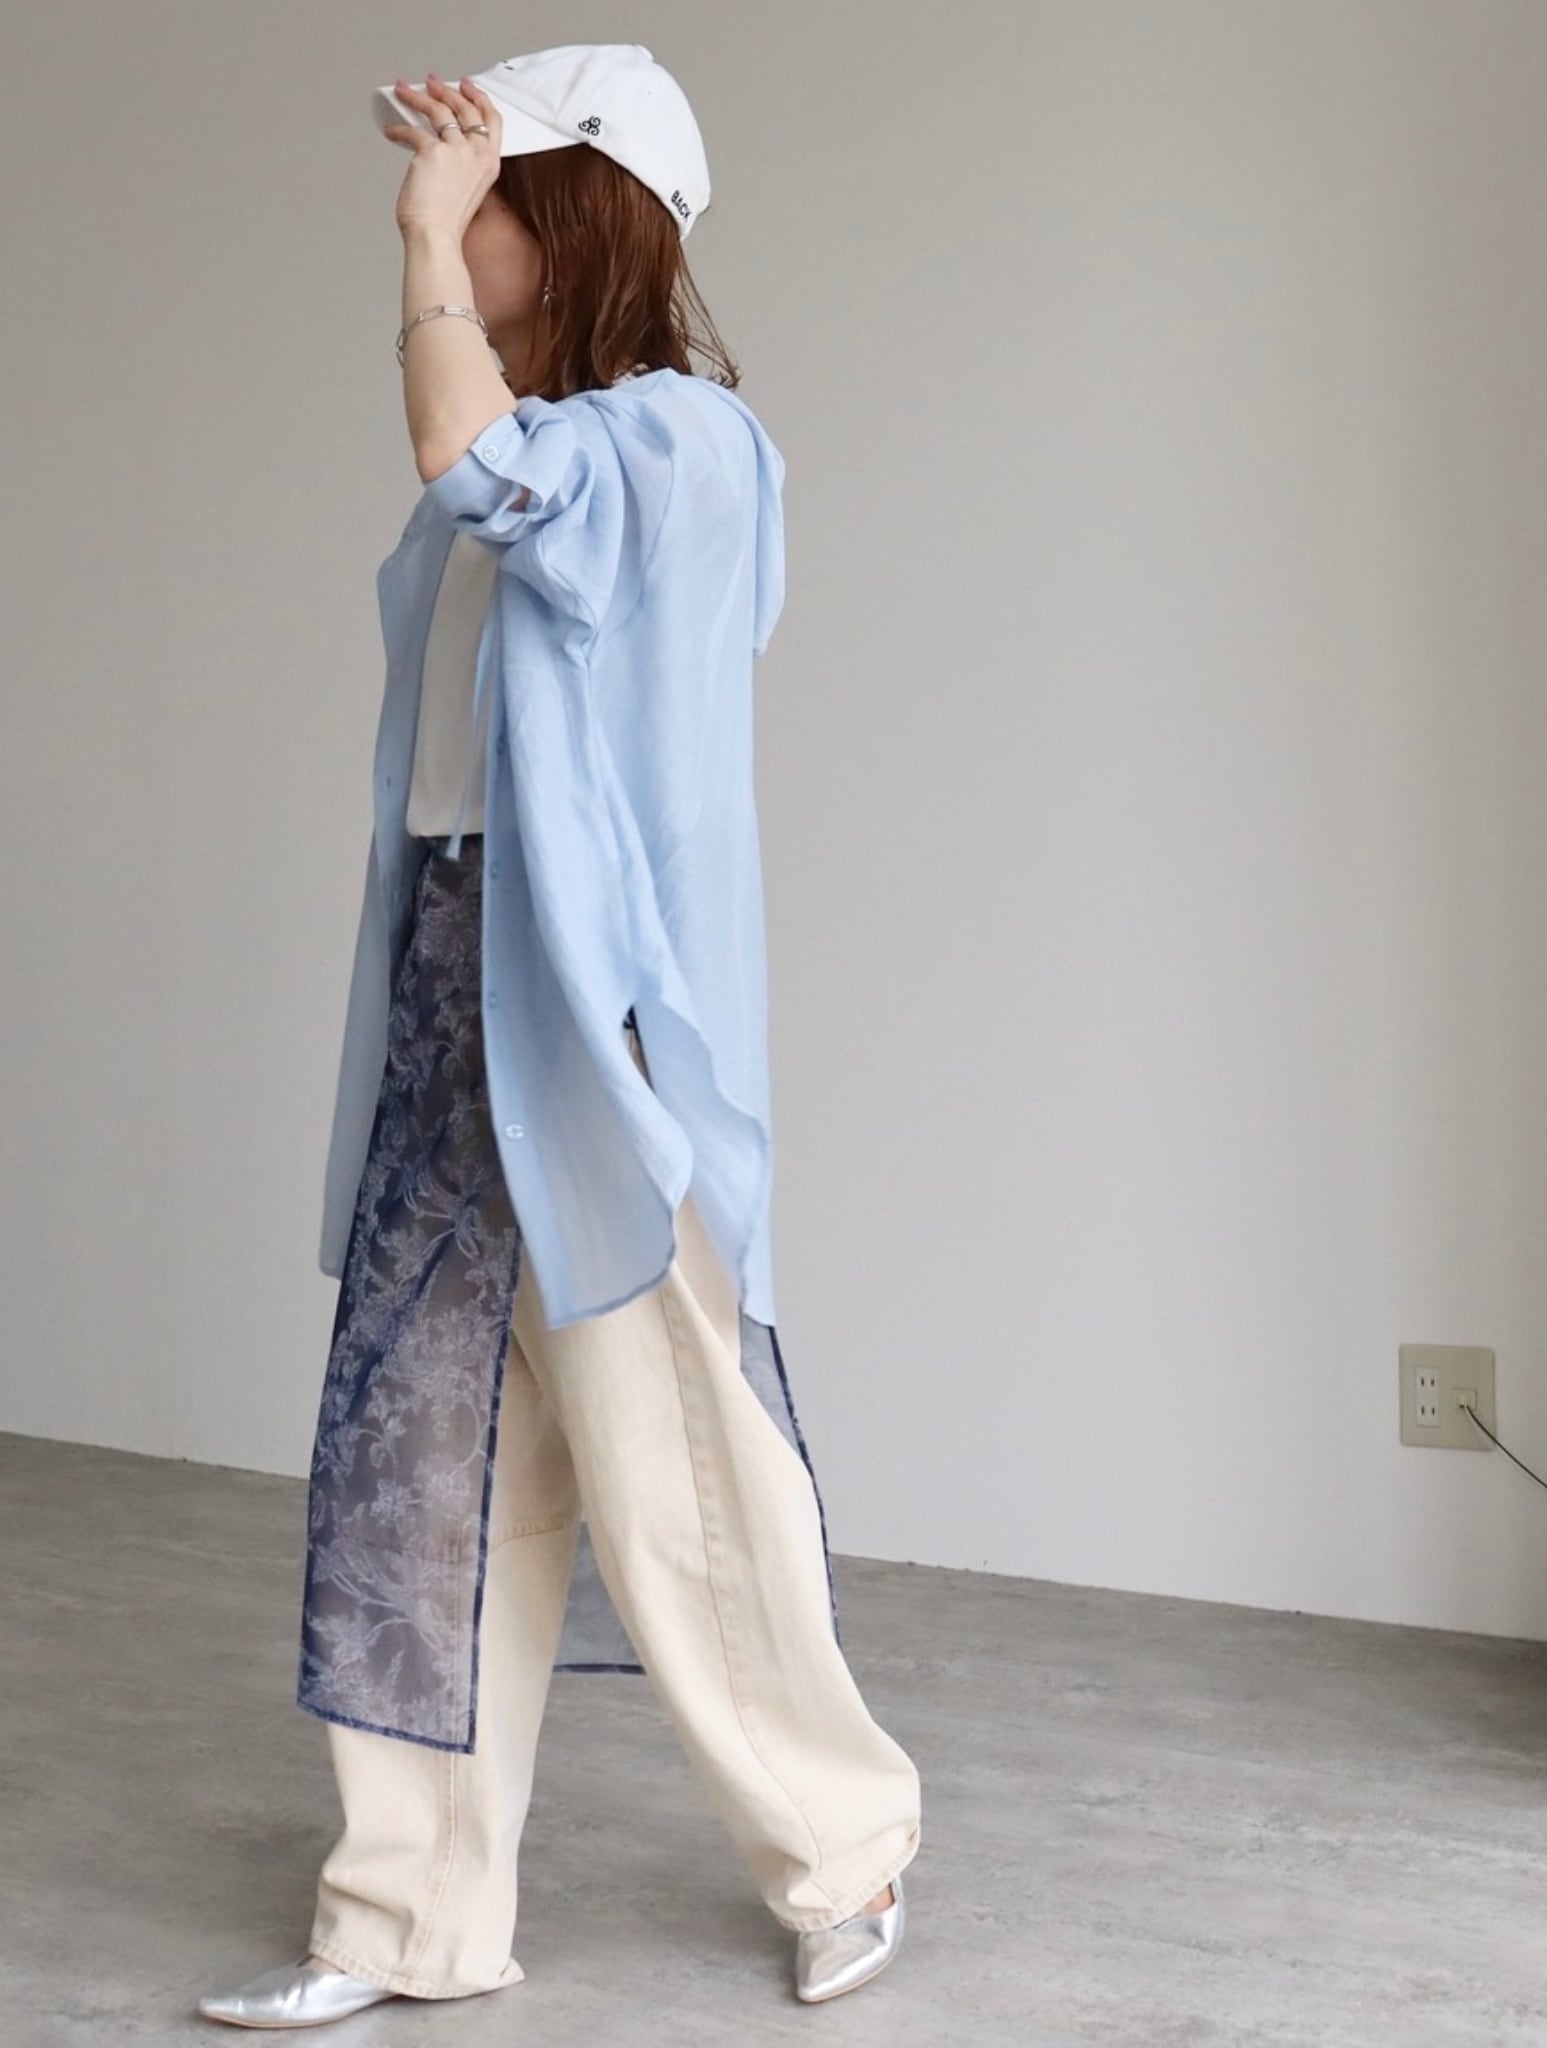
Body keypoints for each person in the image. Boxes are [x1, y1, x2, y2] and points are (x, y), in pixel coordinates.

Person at [199, 43, 920, 2029]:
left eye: (491, 194)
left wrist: (417, 245)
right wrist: (444, 237)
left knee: (679, 1456)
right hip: (453, 986)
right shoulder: (533, 455)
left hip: (599, 1027)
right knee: (416, 1469)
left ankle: (845, 1846)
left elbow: (473, 459)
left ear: (583, 216)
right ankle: (405, 1917)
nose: (454, 222)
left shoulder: (685, 445)